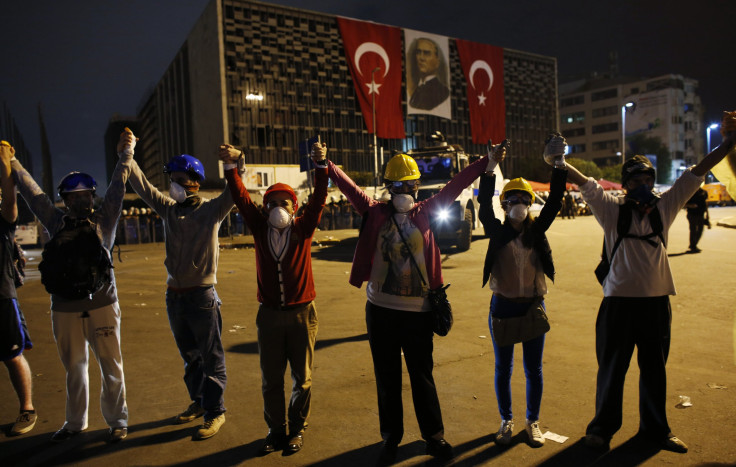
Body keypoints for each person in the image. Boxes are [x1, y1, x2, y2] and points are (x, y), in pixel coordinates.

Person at [561, 111, 736, 453]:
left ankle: (656, 430)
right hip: (618, 304)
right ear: (625, 185)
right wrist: (557, 160)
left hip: (657, 303)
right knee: (612, 370)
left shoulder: (665, 207)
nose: (642, 185)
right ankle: (601, 429)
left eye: (647, 178)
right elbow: (586, 184)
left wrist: (728, 144)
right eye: (635, 180)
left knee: (655, 371)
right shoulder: (612, 211)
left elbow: (697, 172)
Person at [322, 148, 493, 464]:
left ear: (417, 186)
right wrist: (326, 165)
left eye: (409, 185)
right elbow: (350, 189)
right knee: (387, 378)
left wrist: (486, 162)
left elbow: (456, 184)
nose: (404, 191)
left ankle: (434, 436)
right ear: (389, 187)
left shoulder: (428, 210)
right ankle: (391, 438)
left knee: (422, 376)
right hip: (381, 310)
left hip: (418, 313)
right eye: (397, 186)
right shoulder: (374, 212)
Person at [12, 134, 132, 443]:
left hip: (70, 308)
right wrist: (125, 154)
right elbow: (117, 187)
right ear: (69, 199)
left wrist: (12, 162)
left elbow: (33, 193)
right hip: (99, 305)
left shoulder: (57, 221)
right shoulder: (103, 220)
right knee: (102, 368)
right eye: (77, 196)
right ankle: (105, 422)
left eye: (84, 196)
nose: (81, 201)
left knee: (88, 368)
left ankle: (90, 422)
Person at [123, 129, 236, 440]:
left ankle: (216, 412)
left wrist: (235, 164)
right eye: (170, 178)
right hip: (174, 296)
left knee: (211, 356)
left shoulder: (212, 209)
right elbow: (142, 186)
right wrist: (128, 155)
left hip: (202, 295)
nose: (172, 185)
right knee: (191, 357)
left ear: (194, 181)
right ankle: (199, 402)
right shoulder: (168, 210)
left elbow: (235, 192)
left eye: (177, 179)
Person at [219, 142, 327, 454]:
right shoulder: (258, 226)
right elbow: (240, 195)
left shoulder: (303, 228)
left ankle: (297, 429)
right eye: (273, 202)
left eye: (285, 202)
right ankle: (275, 430)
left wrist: (321, 164)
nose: (279, 207)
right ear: (265, 207)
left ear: (295, 207)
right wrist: (231, 165)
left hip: (302, 313)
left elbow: (319, 197)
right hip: (268, 315)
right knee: (270, 381)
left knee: (302, 379)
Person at [478, 137, 567, 448]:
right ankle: (506, 420)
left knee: (534, 369)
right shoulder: (496, 231)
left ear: (530, 204)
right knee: (503, 368)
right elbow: (482, 203)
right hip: (502, 307)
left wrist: (558, 164)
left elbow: (555, 200)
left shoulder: (537, 231)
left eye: (523, 199)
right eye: (511, 199)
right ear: (503, 205)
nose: (518, 204)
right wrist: (491, 165)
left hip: (531, 307)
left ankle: (533, 421)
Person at [0, 141, 36, 436]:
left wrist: (6, 164)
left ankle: (27, 409)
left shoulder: (3, 221)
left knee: (13, 355)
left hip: (1, 297)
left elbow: (10, 198)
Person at [408, 37, 450, 111]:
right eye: (418, 52)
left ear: (437, 62)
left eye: (427, 53)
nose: (421, 58)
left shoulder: (442, 91)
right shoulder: (417, 87)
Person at [685, 187, 709, 253]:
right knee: (693, 230)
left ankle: (693, 244)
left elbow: (705, 203)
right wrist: (690, 205)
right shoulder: (690, 192)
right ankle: (693, 246)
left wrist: (707, 215)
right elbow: (684, 203)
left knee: (700, 230)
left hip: (701, 214)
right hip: (692, 214)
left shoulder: (704, 192)